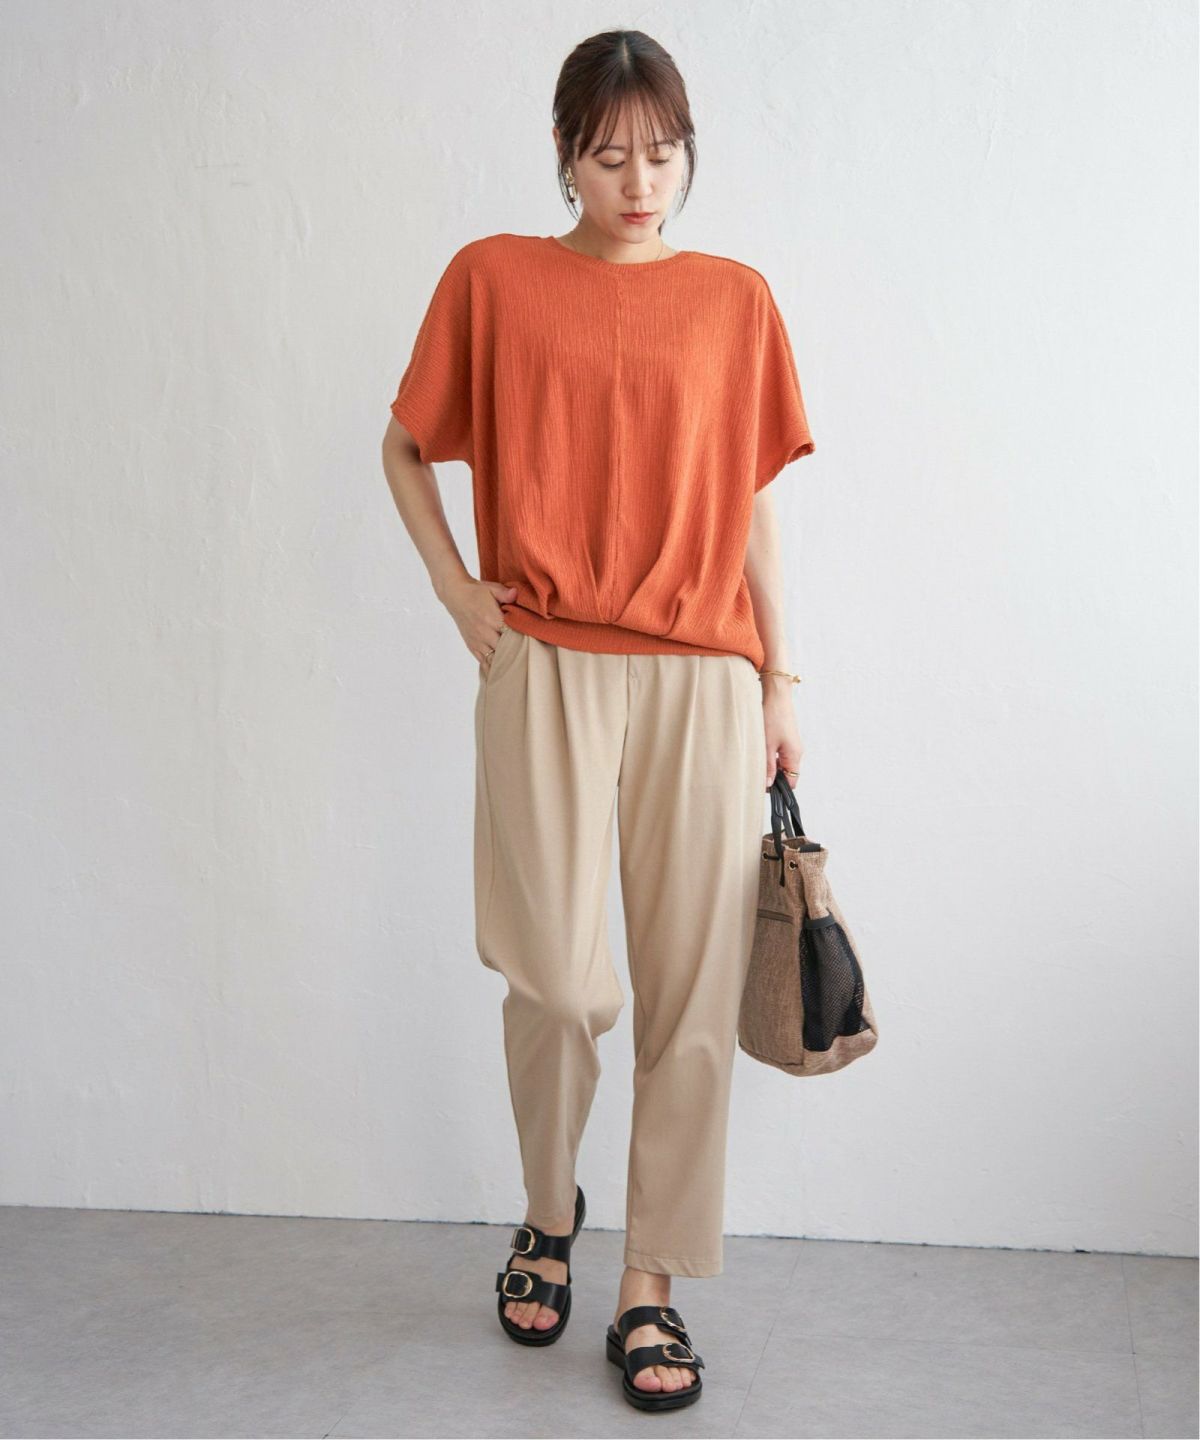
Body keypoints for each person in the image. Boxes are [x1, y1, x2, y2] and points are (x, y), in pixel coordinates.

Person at [380, 28, 814, 1415]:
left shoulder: (735, 301)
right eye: (612, 155)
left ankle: (650, 1283)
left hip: (703, 673)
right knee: (558, 983)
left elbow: (752, 504)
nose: (641, 183)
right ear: (566, 153)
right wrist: (458, 593)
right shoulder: (496, 278)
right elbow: (405, 442)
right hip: (545, 659)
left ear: (689, 158)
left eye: (664, 155)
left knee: (689, 995)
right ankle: (549, 1207)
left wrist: (782, 681)